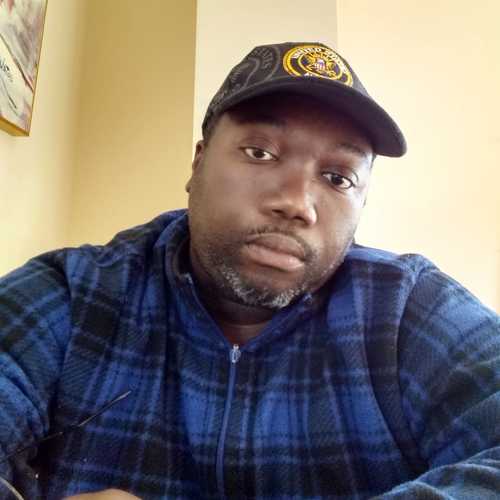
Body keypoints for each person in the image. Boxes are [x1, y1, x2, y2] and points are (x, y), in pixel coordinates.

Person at [0, 41, 498, 500]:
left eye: (337, 177)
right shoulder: (76, 292)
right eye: (260, 153)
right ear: (197, 164)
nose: (297, 203)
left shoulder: (407, 308)